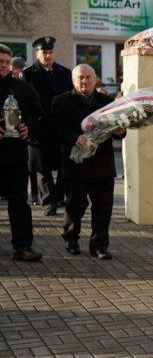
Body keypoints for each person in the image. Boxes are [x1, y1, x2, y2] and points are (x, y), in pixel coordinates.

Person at [51, 65, 119, 259]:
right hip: (77, 165)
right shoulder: (62, 101)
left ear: (95, 79)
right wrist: (74, 137)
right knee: (76, 205)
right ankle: (71, 239)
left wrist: (121, 132)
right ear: (74, 80)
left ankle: (99, 245)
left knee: (103, 207)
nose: (85, 81)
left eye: (88, 77)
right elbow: (54, 128)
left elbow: (117, 130)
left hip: (103, 165)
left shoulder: (107, 102)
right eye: (80, 78)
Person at [0, 44, 44, 262]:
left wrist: (29, 126)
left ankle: (23, 246)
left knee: (19, 201)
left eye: (6, 62)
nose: (4, 65)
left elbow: (38, 114)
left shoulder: (23, 88)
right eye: (0, 62)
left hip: (15, 154)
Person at [21, 36, 73, 216]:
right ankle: (48, 201)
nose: (48, 55)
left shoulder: (65, 73)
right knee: (42, 166)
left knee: (63, 162)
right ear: (37, 54)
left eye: (51, 52)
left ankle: (58, 198)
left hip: (59, 125)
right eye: (44, 52)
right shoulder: (28, 74)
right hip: (39, 126)